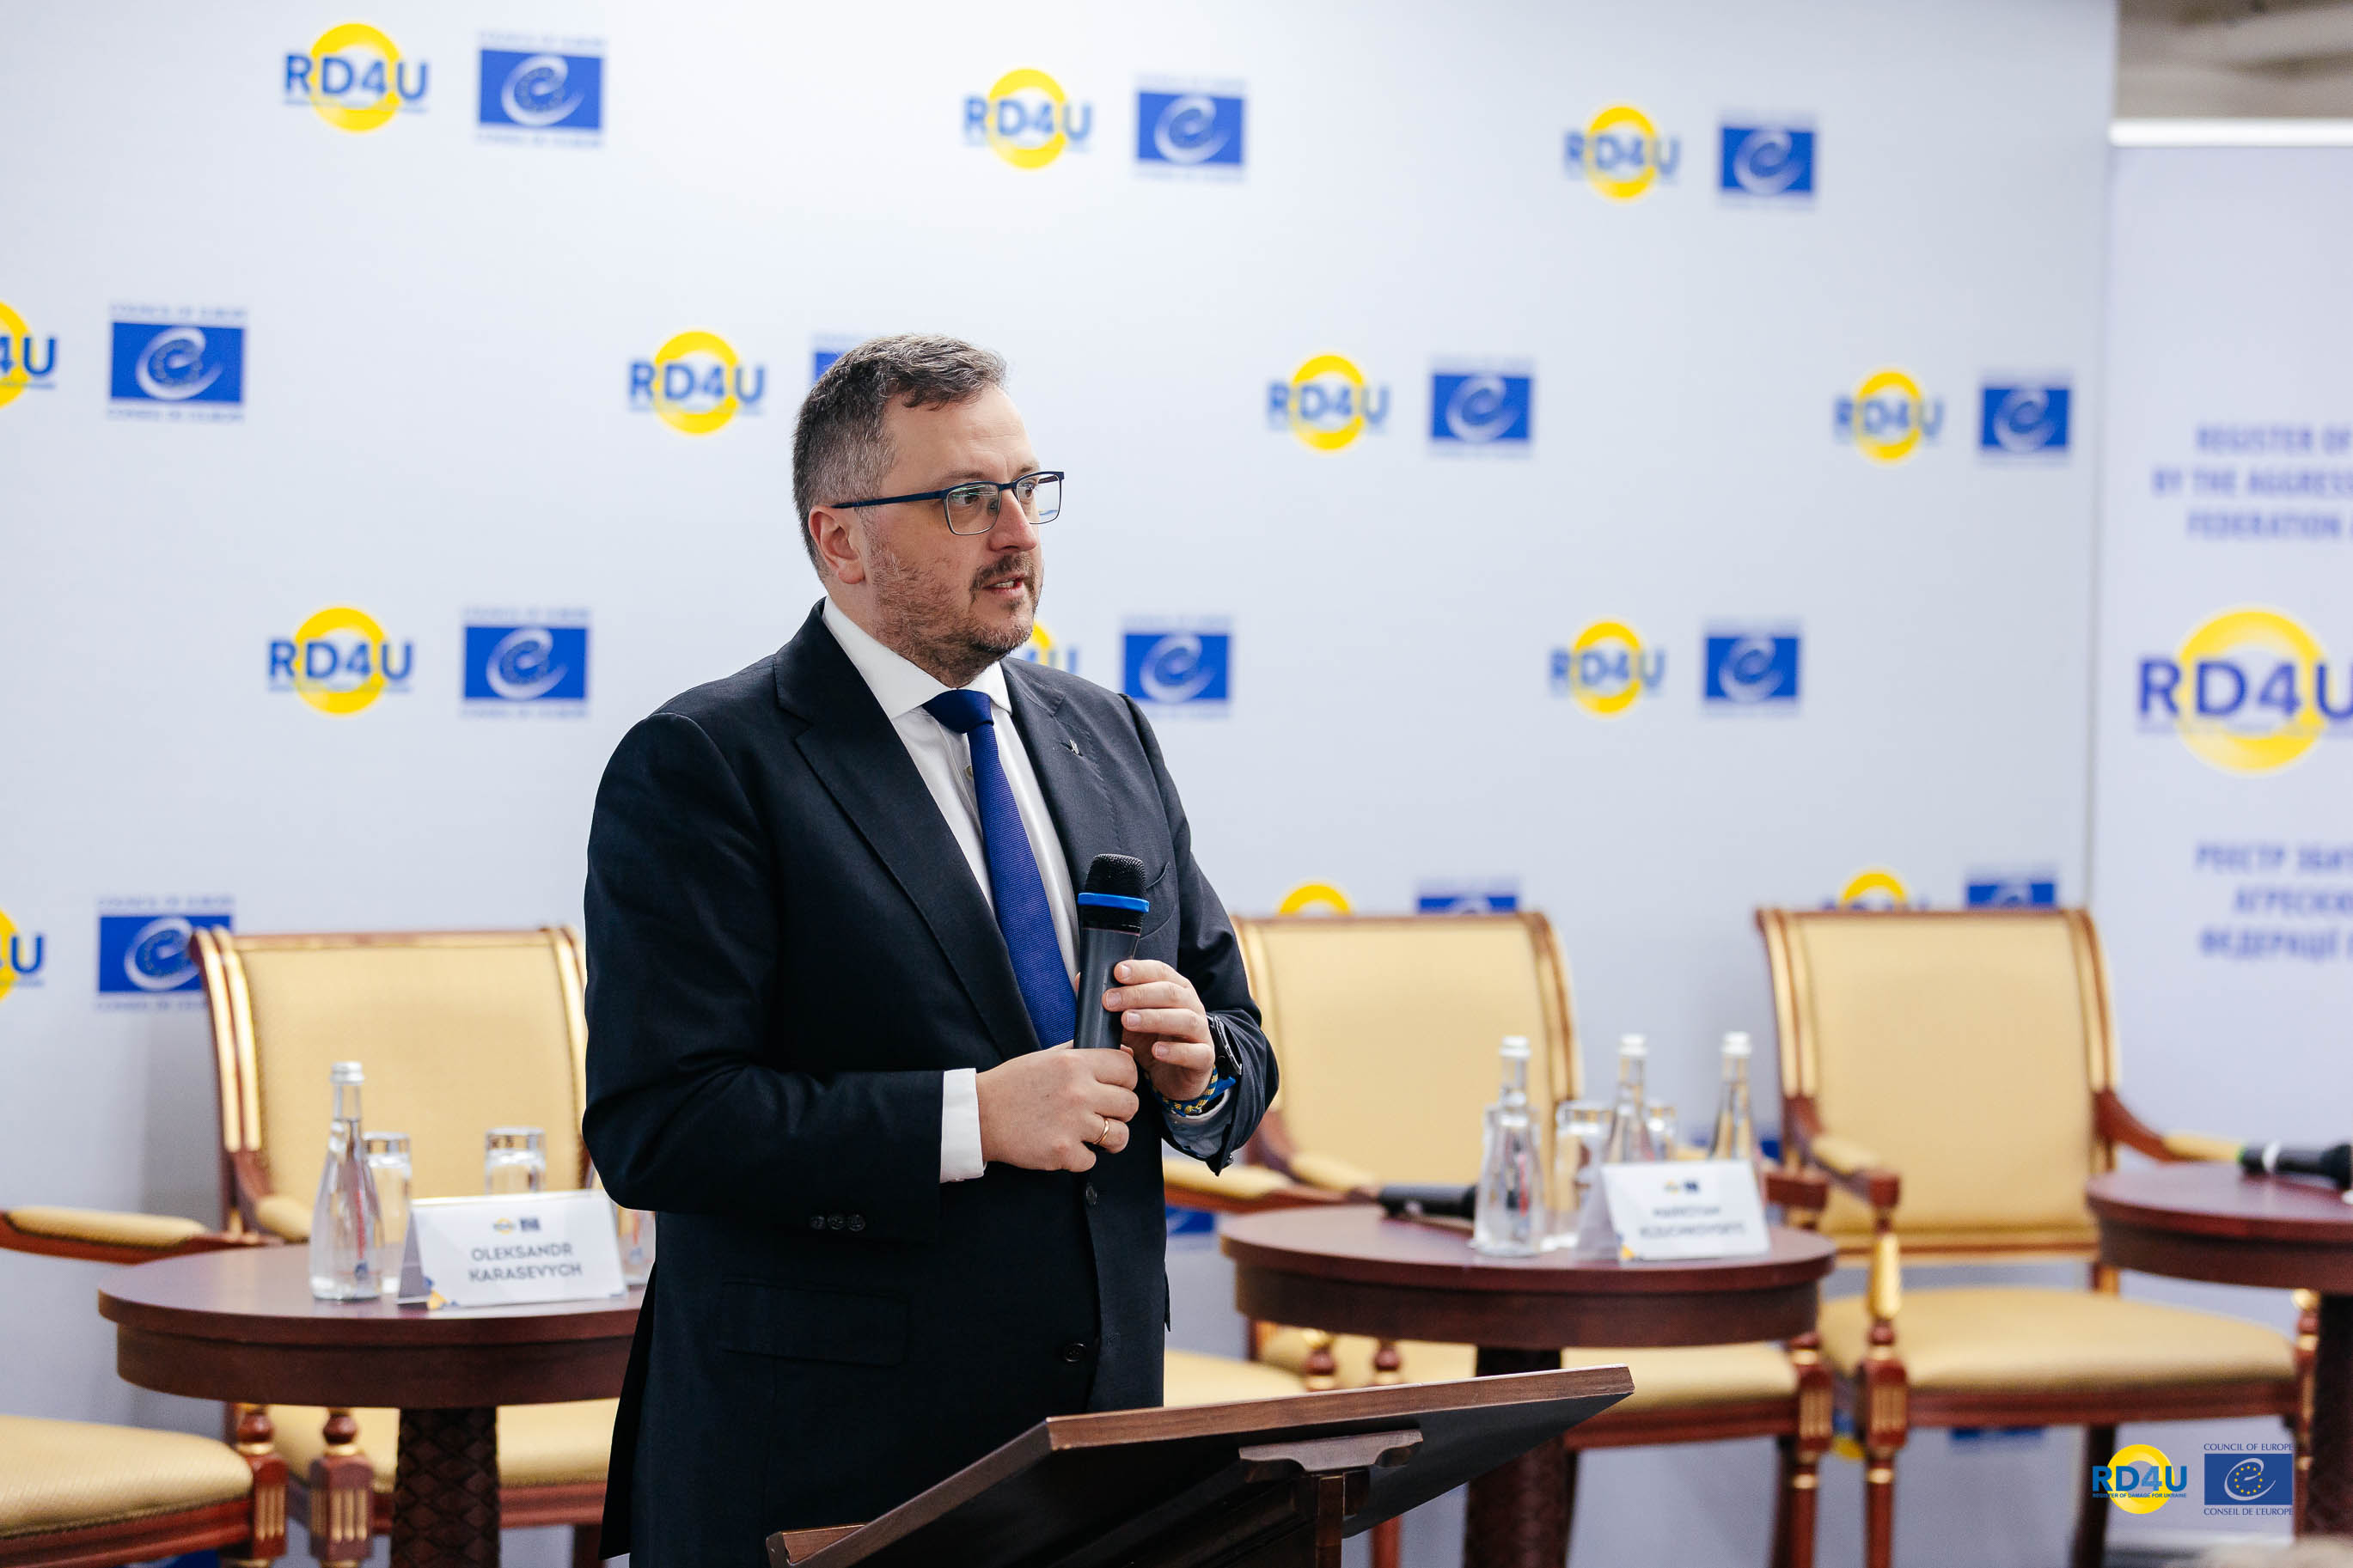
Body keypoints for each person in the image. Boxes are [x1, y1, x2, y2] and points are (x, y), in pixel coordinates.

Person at [583, 334, 1276, 1565]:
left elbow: (1236, 1034)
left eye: (1028, 488)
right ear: (840, 540)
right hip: (826, 1463)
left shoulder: (1107, 731)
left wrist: (1200, 1070)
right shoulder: (708, 762)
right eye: (965, 498)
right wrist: (972, 1119)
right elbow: (661, 1124)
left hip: (1096, 1447)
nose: (1016, 533)